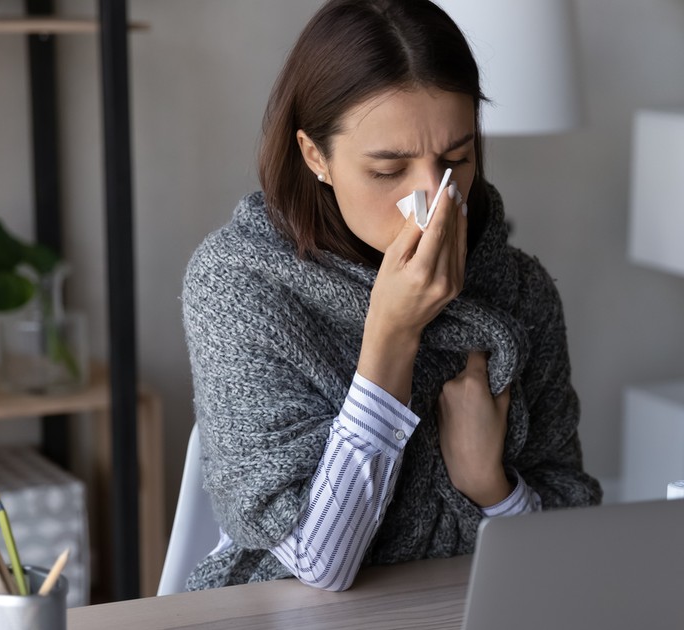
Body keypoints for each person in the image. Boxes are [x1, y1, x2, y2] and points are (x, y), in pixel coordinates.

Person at [182, 0, 601, 593]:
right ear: (315, 157)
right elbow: (319, 565)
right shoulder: (242, 287)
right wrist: (393, 336)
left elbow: (571, 544)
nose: (434, 197)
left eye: (456, 158)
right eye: (388, 170)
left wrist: (491, 486)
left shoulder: (519, 289)